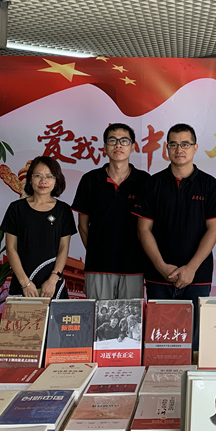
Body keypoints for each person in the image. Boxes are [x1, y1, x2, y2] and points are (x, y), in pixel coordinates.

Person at [134, 123, 216, 347]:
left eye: (185, 144)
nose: (179, 149)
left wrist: (191, 268)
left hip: (197, 276)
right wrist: (161, 266)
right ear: (166, 148)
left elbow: (214, 230)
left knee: (193, 343)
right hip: (158, 276)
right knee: (160, 343)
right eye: (173, 144)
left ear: (195, 147)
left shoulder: (209, 185)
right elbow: (143, 229)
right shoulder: (152, 184)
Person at [71, 123, 150, 300]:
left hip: (133, 267)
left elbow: (150, 226)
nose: (118, 145)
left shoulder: (145, 182)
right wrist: (97, 251)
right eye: (112, 140)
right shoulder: (90, 180)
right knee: (98, 315)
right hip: (98, 267)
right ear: (105, 146)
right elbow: (82, 225)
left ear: (133, 146)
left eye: (124, 141)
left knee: (129, 317)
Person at [0, 156, 77, 299]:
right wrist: (25, 283)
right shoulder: (16, 208)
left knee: (56, 314)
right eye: (38, 176)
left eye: (49, 176)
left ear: (56, 180)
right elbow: (11, 248)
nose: (43, 181)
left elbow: (63, 248)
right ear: (30, 179)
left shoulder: (63, 210)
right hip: (22, 283)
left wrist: (53, 280)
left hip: (53, 285)